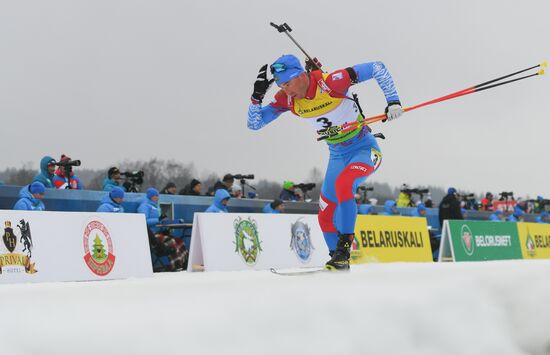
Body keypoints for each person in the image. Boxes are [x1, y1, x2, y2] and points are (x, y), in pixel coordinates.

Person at [248, 54, 403, 270]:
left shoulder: (332, 81)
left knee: (344, 184)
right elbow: (254, 124)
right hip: (337, 155)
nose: (286, 90)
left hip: (364, 149)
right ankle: (338, 260)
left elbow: (378, 67)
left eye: (289, 83)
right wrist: (257, 98)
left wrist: (393, 101)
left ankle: (344, 248)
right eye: (282, 85)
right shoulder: (287, 99)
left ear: (302, 75)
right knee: (325, 215)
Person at [138, 187, 187, 271]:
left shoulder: (157, 207)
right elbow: (142, 221)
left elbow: (162, 221)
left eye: (158, 195)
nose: (157, 197)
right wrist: (158, 220)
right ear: (150, 196)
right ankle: (175, 265)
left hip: (159, 233)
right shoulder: (144, 206)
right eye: (155, 196)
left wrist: (176, 221)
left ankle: (183, 263)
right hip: (151, 236)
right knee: (172, 242)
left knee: (179, 241)